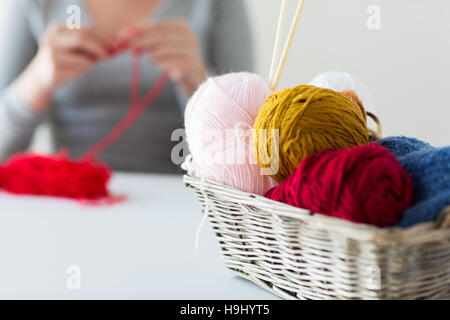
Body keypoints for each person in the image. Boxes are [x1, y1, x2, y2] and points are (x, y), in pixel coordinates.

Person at [0, 0, 253, 173]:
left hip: (187, 206)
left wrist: (198, 84)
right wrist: (36, 82)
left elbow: (249, 148)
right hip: (73, 201)